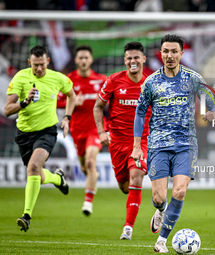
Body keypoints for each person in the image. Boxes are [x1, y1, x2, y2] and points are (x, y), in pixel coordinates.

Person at [131, 34, 215, 253]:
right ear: (160, 53)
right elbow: (140, 113)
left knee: (179, 192)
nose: (169, 56)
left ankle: (161, 241)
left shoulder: (192, 78)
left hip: (186, 145)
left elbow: (214, 102)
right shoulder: (151, 82)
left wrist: (212, 112)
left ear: (181, 53)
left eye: (174, 51)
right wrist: (136, 145)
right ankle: (160, 210)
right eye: (165, 51)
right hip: (158, 145)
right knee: (158, 197)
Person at [4, 45, 76, 232]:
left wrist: (67, 117)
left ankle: (26, 216)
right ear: (30, 63)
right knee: (36, 173)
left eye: (42, 65)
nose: (39, 69)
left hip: (47, 131)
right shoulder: (20, 77)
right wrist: (24, 102)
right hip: (24, 134)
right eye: (35, 65)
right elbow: (7, 109)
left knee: (34, 167)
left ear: (48, 62)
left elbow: (71, 95)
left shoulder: (57, 77)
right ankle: (57, 179)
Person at [93, 42, 151, 240]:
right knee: (126, 186)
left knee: (136, 177)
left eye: (136, 57)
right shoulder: (113, 81)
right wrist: (101, 132)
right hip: (116, 142)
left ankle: (128, 227)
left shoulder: (151, 84)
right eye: (129, 58)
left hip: (142, 142)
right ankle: (135, 197)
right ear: (124, 60)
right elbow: (98, 107)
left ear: (143, 59)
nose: (133, 61)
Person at [57, 45, 107, 216]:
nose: (84, 60)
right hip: (77, 131)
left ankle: (88, 202)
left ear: (91, 60)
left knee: (91, 161)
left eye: (87, 57)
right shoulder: (68, 81)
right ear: (76, 60)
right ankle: (93, 178)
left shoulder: (101, 80)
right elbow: (56, 102)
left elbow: (112, 102)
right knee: (85, 166)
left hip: (96, 128)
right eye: (81, 58)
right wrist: (71, 102)